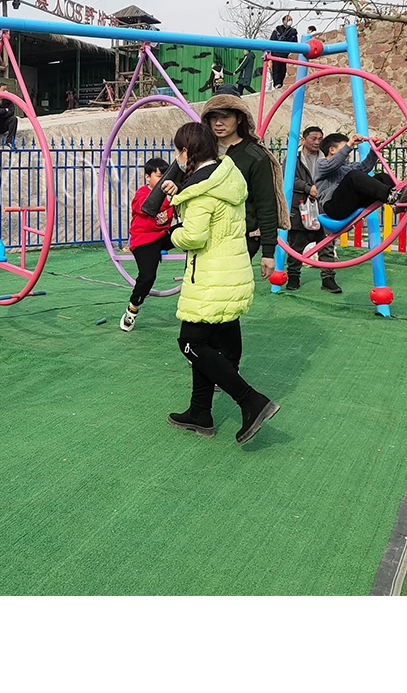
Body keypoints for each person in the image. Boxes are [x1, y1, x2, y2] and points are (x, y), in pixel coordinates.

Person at [159, 121, 280, 445]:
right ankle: (200, 412)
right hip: (231, 269)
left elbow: (194, 236)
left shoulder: (201, 190)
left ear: (187, 152)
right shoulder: (226, 177)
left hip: (210, 275)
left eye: (178, 151)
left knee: (191, 343)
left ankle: (251, 401)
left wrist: (171, 233)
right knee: (208, 342)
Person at [200, 93, 289, 279]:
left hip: (241, 236)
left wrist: (268, 252)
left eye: (225, 117)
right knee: (200, 290)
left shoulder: (255, 156)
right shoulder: (202, 151)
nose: (218, 123)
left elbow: (266, 204)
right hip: (204, 234)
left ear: (239, 118)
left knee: (227, 289)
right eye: (213, 117)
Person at [120, 157, 175, 331]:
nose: (163, 180)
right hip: (144, 240)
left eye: (166, 176)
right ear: (147, 177)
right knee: (148, 276)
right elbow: (147, 206)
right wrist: (172, 198)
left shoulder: (172, 193)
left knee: (190, 229)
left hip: (162, 237)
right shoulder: (142, 194)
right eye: (159, 176)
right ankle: (132, 309)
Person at [287, 126, 341, 293]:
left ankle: (328, 279)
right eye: (314, 138)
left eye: (320, 139)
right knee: (296, 244)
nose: (317, 142)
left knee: (326, 244)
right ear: (304, 140)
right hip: (300, 206)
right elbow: (287, 179)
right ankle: (293, 277)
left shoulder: (326, 159)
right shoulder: (293, 159)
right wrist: (307, 187)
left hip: (323, 206)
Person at [316, 133, 407, 223]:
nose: (348, 152)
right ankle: (391, 196)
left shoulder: (347, 166)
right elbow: (332, 164)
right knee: (353, 175)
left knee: (382, 177)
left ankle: (404, 202)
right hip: (334, 207)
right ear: (332, 150)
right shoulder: (321, 164)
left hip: (352, 203)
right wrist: (350, 144)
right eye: (345, 148)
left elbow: (364, 167)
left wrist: (374, 150)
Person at [268, 15, 298, 89]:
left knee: (283, 71)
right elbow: (271, 41)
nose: (289, 21)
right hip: (277, 54)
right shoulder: (277, 30)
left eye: (291, 19)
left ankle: (281, 84)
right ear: (284, 21)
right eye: (288, 19)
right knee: (277, 70)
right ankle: (277, 85)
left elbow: (295, 43)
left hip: (287, 55)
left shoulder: (293, 32)